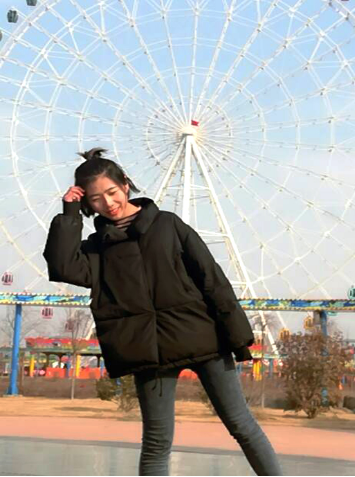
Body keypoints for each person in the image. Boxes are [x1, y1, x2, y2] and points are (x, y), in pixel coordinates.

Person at [43, 147, 283, 476]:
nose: (108, 203)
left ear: (125, 184)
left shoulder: (168, 225)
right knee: (157, 442)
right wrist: (69, 214)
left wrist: (238, 336)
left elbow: (212, 278)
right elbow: (63, 267)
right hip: (148, 352)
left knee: (242, 425)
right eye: (96, 199)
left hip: (204, 340)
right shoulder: (97, 249)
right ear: (88, 203)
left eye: (112, 192)